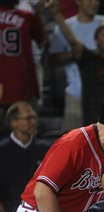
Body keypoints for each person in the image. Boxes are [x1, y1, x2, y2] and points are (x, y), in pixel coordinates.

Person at [48, 0, 104, 130]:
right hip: (76, 93)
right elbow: (53, 58)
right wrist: (76, 55)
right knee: (74, 142)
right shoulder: (65, 26)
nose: (94, 3)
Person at [0, 102, 50, 212]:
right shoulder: (2, 150)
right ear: (14, 122)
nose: (33, 122)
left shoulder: (45, 149)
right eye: (28, 118)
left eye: (34, 118)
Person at [0, 0, 45, 134]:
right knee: (27, 137)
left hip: (12, 87)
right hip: (22, 87)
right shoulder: (26, 17)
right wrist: (39, 13)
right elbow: (42, 39)